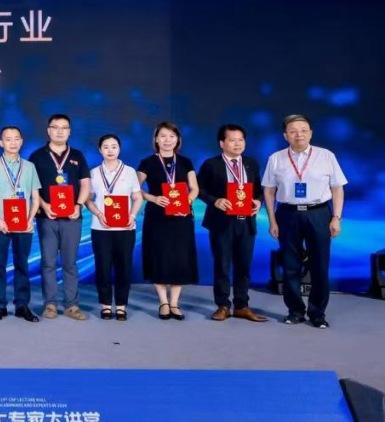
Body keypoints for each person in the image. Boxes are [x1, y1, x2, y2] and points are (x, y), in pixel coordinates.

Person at [262, 114, 347, 329]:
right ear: (285, 135)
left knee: (319, 265)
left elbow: (337, 188)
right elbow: (269, 192)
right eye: (293, 131)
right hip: (287, 214)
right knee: (290, 265)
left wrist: (336, 218)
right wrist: (272, 220)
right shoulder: (276, 158)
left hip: (318, 213)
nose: (298, 134)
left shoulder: (326, 156)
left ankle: (318, 313)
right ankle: (295, 311)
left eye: (303, 130)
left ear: (310, 133)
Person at [197, 124, 267, 322]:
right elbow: (198, 189)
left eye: (241, 140)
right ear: (222, 143)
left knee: (244, 265)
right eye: (232, 140)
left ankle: (242, 306)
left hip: (246, 222)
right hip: (222, 221)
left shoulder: (251, 163)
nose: (238, 144)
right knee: (222, 264)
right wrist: (215, 201)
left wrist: (258, 201)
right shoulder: (211, 164)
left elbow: (259, 189)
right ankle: (223, 305)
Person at [28, 114, 91, 321]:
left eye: (64, 128)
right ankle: (50, 304)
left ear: (69, 131)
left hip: (72, 217)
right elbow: (31, 188)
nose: (60, 131)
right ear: (48, 130)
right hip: (47, 217)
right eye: (55, 127)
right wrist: (44, 205)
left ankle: (72, 305)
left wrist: (78, 205)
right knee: (48, 262)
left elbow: (85, 184)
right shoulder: (37, 156)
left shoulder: (78, 155)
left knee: (70, 263)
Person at [136, 121, 199, 321]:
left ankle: (174, 303)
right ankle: (163, 302)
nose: (167, 140)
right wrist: (153, 198)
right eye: (163, 136)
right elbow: (135, 189)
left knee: (180, 257)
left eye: (171, 136)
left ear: (177, 139)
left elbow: (194, 188)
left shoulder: (186, 162)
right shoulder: (147, 162)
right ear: (156, 139)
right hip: (157, 216)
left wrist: (187, 201)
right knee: (159, 256)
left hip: (181, 216)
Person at [0, 126, 41, 322]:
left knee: (22, 265)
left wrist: (30, 219)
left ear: (22, 141)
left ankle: (22, 305)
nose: (13, 142)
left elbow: (35, 197)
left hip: (23, 225)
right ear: (1, 143)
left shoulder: (29, 167)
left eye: (16, 138)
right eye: (8, 139)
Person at [84, 134, 142, 321]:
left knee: (124, 267)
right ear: (100, 150)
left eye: (114, 146)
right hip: (101, 229)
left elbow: (138, 197)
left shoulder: (130, 172)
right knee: (103, 267)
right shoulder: (93, 173)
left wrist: (132, 216)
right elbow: (87, 199)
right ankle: (106, 305)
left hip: (125, 228)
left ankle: (122, 306)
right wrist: (98, 214)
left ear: (119, 149)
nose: (110, 150)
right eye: (106, 147)